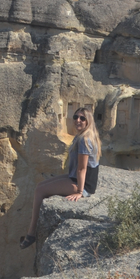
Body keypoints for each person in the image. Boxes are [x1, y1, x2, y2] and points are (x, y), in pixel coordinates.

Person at [19, 106, 100, 249]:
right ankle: (31, 232)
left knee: (40, 191)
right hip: (76, 178)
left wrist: (80, 192)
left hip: (82, 184)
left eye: (82, 118)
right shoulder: (83, 136)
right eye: (75, 117)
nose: (78, 120)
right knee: (40, 186)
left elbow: (82, 168)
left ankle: (31, 233)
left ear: (89, 121)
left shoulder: (84, 140)